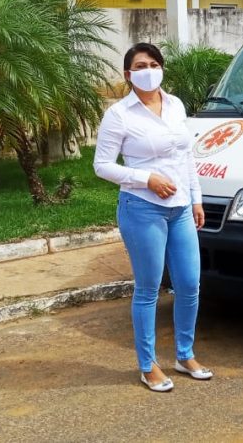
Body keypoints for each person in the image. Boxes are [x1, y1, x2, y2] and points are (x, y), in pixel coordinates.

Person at [93, 42, 213, 392]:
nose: (148, 70)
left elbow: (186, 156)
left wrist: (196, 199)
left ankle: (184, 354)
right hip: (142, 208)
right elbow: (101, 165)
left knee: (190, 285)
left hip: (180, 210)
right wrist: (145, 178)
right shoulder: (119, 114)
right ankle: (148, 365)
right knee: (148, 289)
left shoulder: (175, 105)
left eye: (154, 63)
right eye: (140, 65)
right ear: (128, 74)